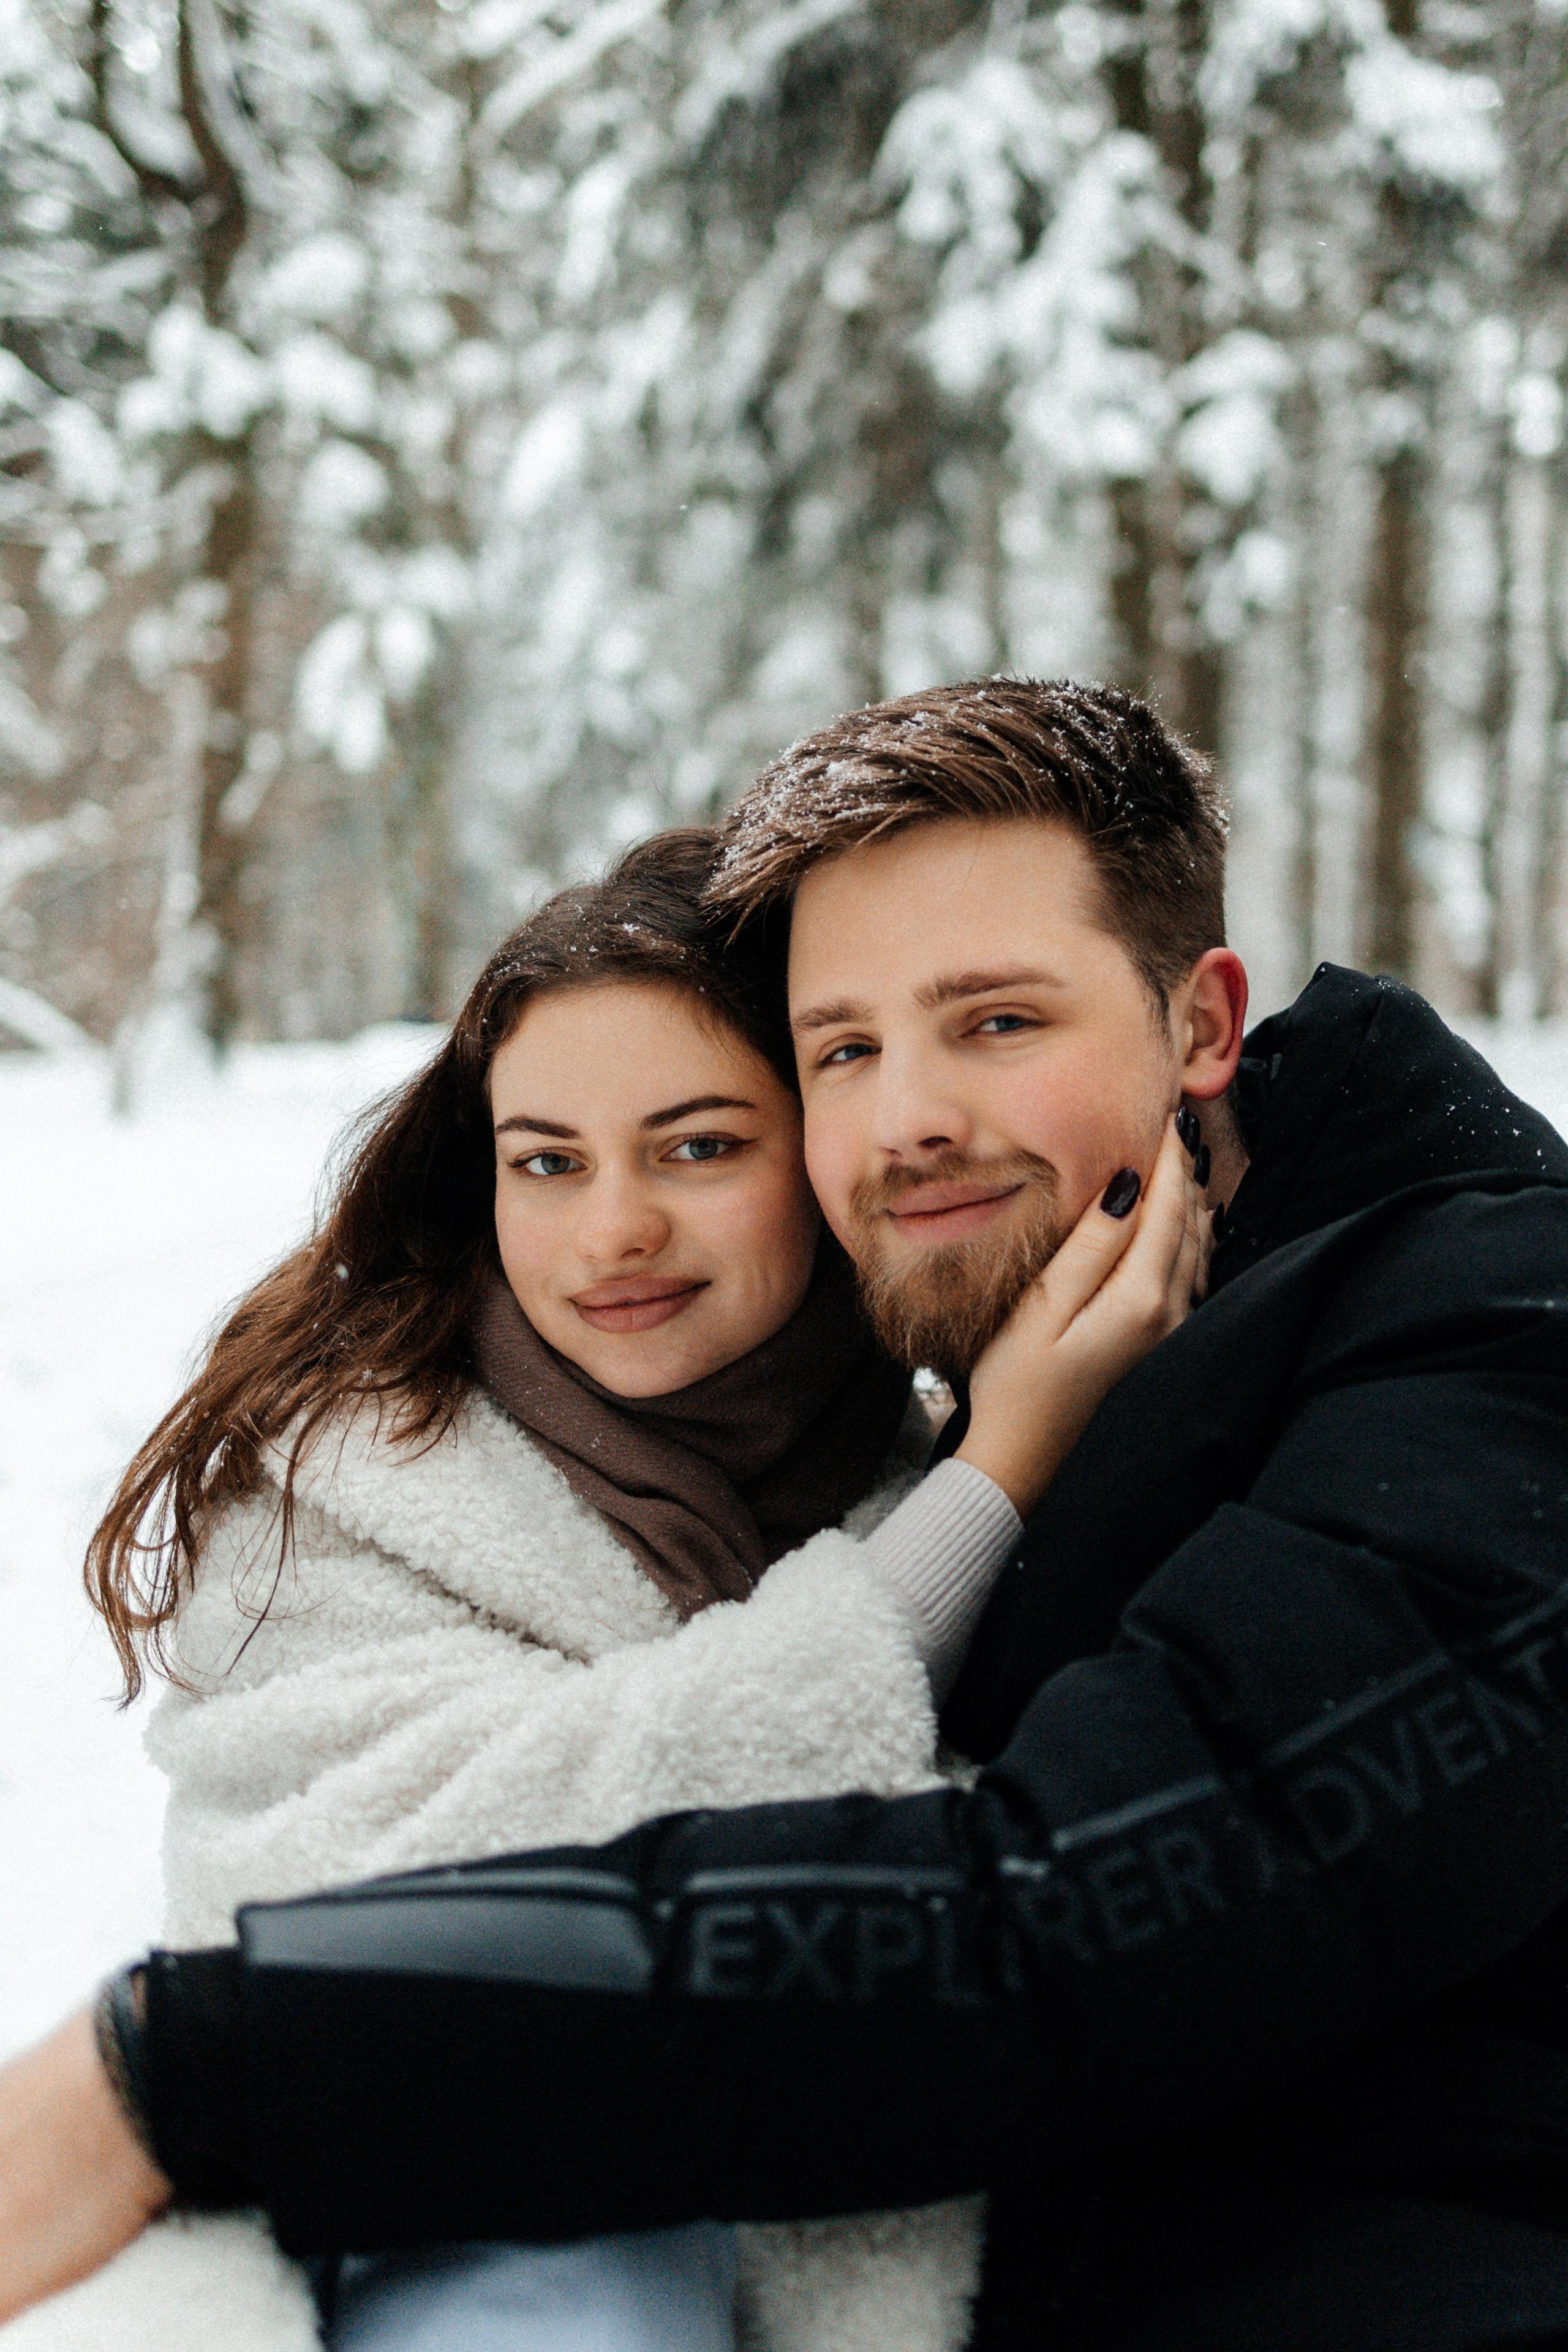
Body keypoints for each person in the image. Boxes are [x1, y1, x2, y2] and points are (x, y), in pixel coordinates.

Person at [4, 674, 1567, 2351]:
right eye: (847, 1049)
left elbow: (1073, 1914)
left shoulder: (1487, 1325)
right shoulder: (1055, 1329)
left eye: (998, 1022)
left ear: (1201, 1024)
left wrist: (210, 2061)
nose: (906, 1121)